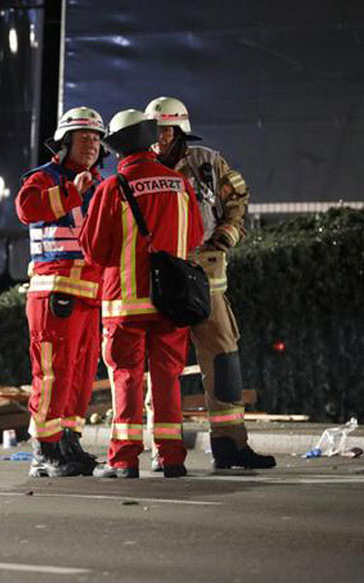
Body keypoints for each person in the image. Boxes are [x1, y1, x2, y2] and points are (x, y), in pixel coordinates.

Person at [144, 96, 275, 470]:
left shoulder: (208, 163)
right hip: (165, 271)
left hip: (206, 271)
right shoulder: (142, 167)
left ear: (181, 130)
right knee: (162, 366)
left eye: (166, 129)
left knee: (222, 358)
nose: (160, 137)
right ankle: (163, 450)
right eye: (154, 130)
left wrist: (225, 237)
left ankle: (231, 445)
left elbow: (238, 201)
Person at [80, 109, 203, 478]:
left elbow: (94, 251)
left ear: (118, 149)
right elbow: (195, 236)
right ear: (149, 141)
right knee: (167, 378)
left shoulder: (112, 188)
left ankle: (124, 459)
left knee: (127, 378)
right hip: (173, 303)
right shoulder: (180, 185)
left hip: (126, 303)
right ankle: (171, 457)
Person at [15, 106, 107, 477]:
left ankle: (69, 441)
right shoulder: (44, 179)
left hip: (89, 295)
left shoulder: (101, 184)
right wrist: (71, 192)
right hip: (55, 293)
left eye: (98, 139)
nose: (92, 145)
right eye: (84, 137)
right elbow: (26, 209)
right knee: (53, 373)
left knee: (81, 373)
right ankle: (45, 449)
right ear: (65, 142)